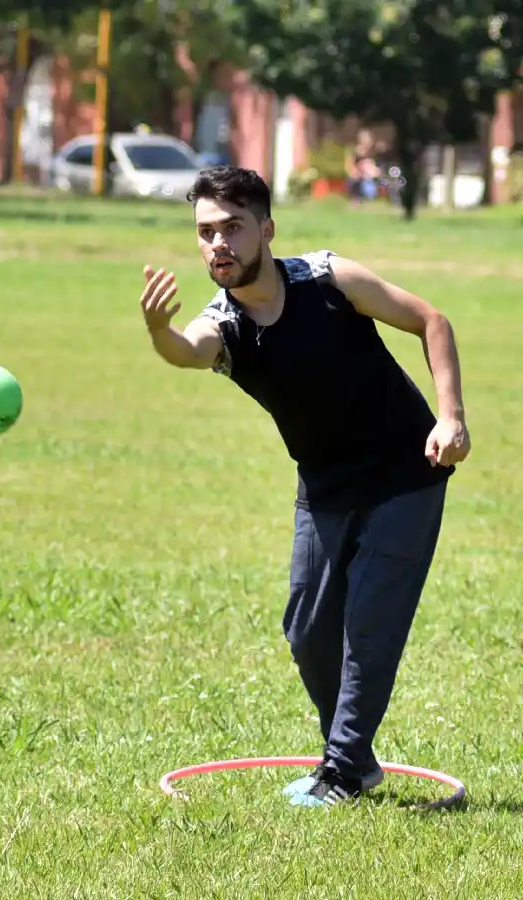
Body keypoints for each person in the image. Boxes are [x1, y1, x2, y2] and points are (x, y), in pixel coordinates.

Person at [139, 166, 471, 807]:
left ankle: (343, 770)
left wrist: (451, 415)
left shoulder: (327, 279)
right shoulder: (225, 325)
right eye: (206, 233)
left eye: (232, 227)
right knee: (309, 630)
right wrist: (159, 331)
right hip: (324, 485)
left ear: (266, 229)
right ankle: (357, 761)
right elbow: (188, 349)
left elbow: (431, 320)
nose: (218, 245)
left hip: (407, 470)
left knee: (370, 623)